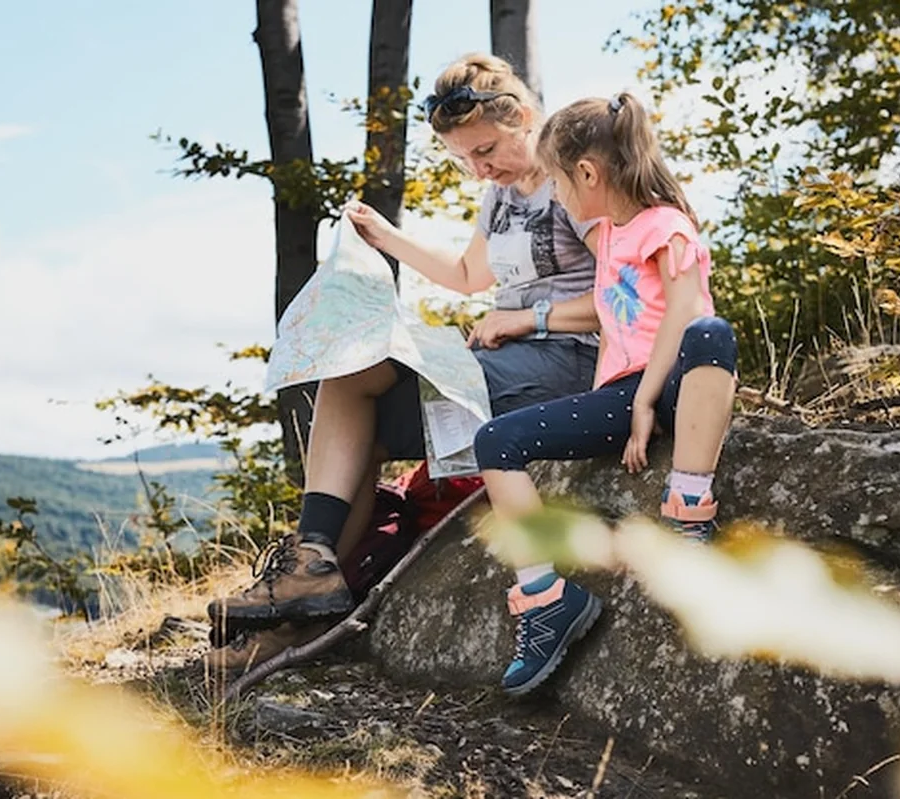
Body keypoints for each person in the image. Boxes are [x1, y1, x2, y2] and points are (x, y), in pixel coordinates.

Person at [204, 53, 602, 683]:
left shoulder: (575, 179)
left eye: (486, 150)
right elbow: (468, 275)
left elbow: (626, 296)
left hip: (569, 362)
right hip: (508, 360)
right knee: (352, 377)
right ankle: (311, 575)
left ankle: (303, 601)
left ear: (525, 117)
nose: (479, 168)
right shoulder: (499, 196)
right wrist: (384, 236)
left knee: (372, 394)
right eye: (464, 159)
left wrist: (527, 319)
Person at [469, 91, 739, 696]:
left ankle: (688, 513)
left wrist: (646, 400)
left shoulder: (667, 226)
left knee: (712, 333)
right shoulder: (610, 237)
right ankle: (546, 599)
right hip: (621, 392)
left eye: (559, 183)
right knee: (495, 441)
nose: (556, 195)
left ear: (588, 174)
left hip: (679, 381)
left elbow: (685, 313)